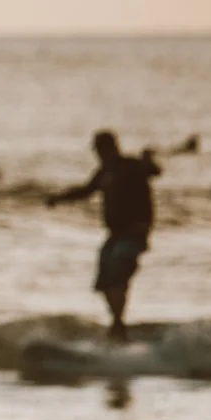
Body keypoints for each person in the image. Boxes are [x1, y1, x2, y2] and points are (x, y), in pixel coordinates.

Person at [45, 130, 162, 342]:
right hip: (116, 234)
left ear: (111, 148)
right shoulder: (105, 171)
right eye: (97, 150)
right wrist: (59, 198)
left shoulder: (130, 165)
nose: (98, 154)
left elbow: (154, 170)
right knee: (105, 281)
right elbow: (86, 191)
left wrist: (147, 159)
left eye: (100, 149)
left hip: (135, 232)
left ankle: (118, 326)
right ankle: (117, 324)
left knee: (118, 274)